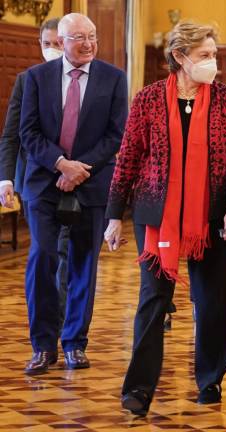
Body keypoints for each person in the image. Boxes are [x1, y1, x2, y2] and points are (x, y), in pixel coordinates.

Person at [104, 21, 226, 416]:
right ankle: (138, 387)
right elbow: (128, 159)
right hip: (157, 214)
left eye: (214, 54)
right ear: (179, 57)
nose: (213, 63)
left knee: (213, 301)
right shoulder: (148, 99)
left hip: (215, 214)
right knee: (153, 301)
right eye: (205, 55)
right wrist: (114, 216)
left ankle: (210, 379)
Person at [19, 13, 127, 375]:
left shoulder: (114, 78)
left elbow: (115, 135)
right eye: (79, 37)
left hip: (93, 182)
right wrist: (61, 164)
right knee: (43, 256)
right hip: (45, 183)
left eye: (92, 36)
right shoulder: (35, 78)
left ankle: (75, 343)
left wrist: (80, 168)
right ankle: (43, 346)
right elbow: (28, 132)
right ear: (61, 42)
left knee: (84, 264)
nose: (89, 43)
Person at [0, 18, 71, 332]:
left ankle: (62, 322)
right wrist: (6, 178)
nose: (53, 49)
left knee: (67, 254)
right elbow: (11, 134)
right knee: (44, 252)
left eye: (58, 43)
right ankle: (45, 326)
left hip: (76, 182)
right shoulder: (27, 80)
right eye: (47, 44)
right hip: (35, 182)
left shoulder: (90, 80)